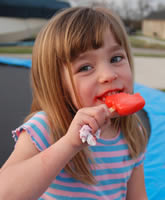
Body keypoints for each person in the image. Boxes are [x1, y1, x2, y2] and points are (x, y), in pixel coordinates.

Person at [0, 7, 148, 200]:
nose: (109, 75)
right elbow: (5, 193)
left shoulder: (132, 130)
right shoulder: (46, 128)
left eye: (116, 58)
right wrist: (69, 144)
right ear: (58, 85)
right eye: (85, 67)